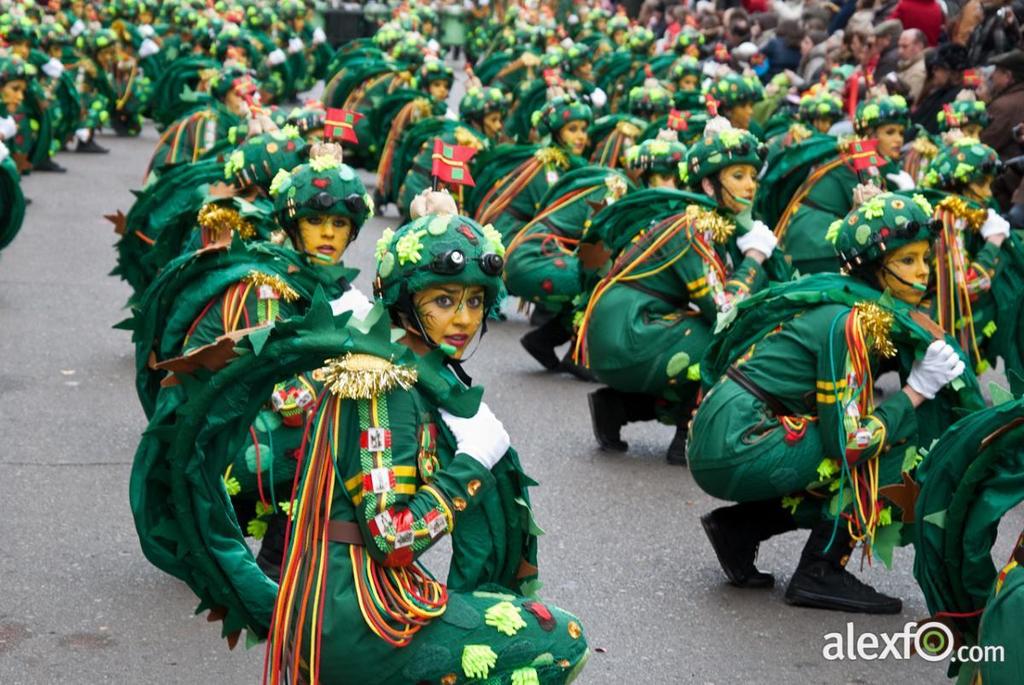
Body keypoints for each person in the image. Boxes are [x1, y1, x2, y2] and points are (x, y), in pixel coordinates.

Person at [263, 200, 590, 684]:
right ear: (405, 302)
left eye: (474, 302)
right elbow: (390, 537)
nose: (462, 319)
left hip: (354, 604)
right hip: (359, 624)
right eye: (443, 301)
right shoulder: (382, 387)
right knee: (562, 640)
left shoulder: (403, 364)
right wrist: (474, 461)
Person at [692, 192, 974, 612]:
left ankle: (741, 528)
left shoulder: (852, 303)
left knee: (859, 439)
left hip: (726, 430)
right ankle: (819, 569)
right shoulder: (852, 323)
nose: (923, 273)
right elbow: (848, 444)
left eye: (923, 259)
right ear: (875, 270)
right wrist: (916, 391)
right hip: (737, 441)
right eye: (907, 261)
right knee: (895, 445)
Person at [576, 118, 782, 465]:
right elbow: (724, 312)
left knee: (699, 333)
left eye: (752, 176)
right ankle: (687, 434)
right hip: (630, 332)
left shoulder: (698, 218)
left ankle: (618, 408)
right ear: (708, 183)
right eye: (738, 176)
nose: (750, 186)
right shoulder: (694, 225)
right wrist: (754, 258)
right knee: (730, 337)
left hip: (621, 332)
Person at [980, 49, 1024, 213]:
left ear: (1008, 76)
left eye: (997, 71)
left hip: (1002, 185)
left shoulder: (1004, 106)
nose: (992, 76)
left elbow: (982, 144)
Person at [896, 28, 928, 103]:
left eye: (904, 46)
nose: (900, 51)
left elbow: (909, 103)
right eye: (899, 46)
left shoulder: (919, 72)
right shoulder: (906, 65)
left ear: (919, 46)